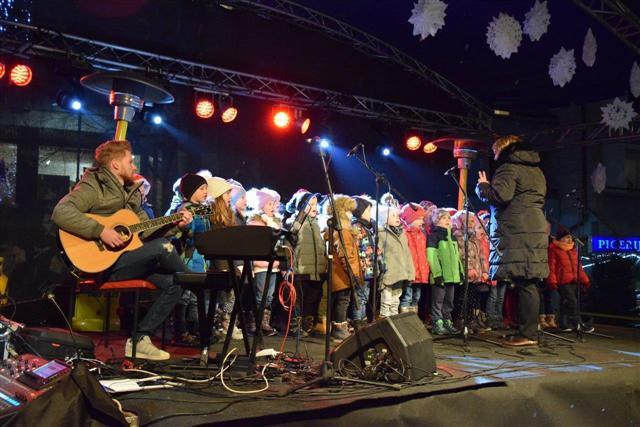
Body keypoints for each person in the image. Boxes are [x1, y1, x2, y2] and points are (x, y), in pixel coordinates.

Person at [52, 139, 192, 360]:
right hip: (100, 266)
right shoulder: (94, 185)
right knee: (165, 251)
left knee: (176, 283)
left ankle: (140, 339)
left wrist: (174, 225)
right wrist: (101, 231)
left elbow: (145, 231)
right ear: (116, 164)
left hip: (128, 261)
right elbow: (61, 212)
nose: (134, 166)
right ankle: (198, 281)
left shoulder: (132, 192)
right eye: (130, 161)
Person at [476, 135, 549, 346]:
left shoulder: (509, 168)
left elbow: (501, 196)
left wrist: (483, 187)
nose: (494, 156)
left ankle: (527, 334)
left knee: (525, 282)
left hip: (518, 229)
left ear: (503, 149)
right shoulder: (536, 170)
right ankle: (524, 330)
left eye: (495, 151)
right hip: (533, 227)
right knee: (526, 280)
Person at [284, 190, 327, 335]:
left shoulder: (318, 224)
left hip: (316, 270)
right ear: (302, 206)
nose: (315, 207)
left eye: (316, 205)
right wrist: (288, 266)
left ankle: (307, 325)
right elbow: (287, 246)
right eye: (310, 204)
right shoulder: (294, 224)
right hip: (300, 270)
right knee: (298, 299)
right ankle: (295, 326)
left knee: (312, 298)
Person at [324, 195, 362, 341]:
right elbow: (345, 255)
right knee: (343, 301)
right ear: (342, 212)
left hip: (339, 273)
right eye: (349, 211)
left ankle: (338, 327)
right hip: (342, 274)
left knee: (341, 300)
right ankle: (339, 329)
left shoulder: (340, 230)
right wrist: (353, 273)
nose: (351, 214)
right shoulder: (343, 231)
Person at [547, 226, 591, 332]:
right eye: (567, 237)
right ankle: (578, 324)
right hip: (562, 281)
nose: (570, 239)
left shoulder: (573, 250)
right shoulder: (553, 249)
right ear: (560, 238)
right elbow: (551, 266)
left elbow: (578, 267)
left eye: (570, 237)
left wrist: (585, 280)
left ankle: (564, 324)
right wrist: (552, 281)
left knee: (565, 302)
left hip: (573, 281)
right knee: (572, 302)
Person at [427, 209, 462, 335]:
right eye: (444, 218)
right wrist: (437, 274)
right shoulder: (434, 236)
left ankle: (447, 321)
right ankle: (437, 323)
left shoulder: (452, 237)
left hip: (452, 276)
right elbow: (431, 256)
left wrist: (460, 271)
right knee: (438, 301)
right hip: (440, 276)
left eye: (449, 218)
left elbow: (457, 257)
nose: (448, 220)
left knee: (449, 301)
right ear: (436, 220)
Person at [377, 204, 415, 318]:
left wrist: (410, 272)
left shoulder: (402, 234)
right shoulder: (381, 234)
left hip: (400, 272)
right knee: (386, 300)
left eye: (397, 216)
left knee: (395, 300)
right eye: (393, 216)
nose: (397, 218)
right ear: (385, 218)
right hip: (388, 273)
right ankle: (385, 320)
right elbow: (378, 254)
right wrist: (381, 269)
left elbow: (407, 254)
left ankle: (394, 320)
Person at [351, 195, 382, 326]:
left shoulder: (370, 227)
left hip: (371, 268)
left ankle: (364, 319)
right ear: (360, 212)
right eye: (368, 210)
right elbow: (355, 248)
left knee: (366, 296)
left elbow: (373, 245)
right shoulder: (357, 227)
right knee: (360, 297)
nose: (370, 213)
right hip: (362, 269)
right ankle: (358, 320)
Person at [399, 203, 428, 314]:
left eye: (423, 219)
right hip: (410, 272)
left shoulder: (422, 235)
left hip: (420, 272)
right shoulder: (405, 234)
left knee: (417, 297)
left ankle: (413, 318)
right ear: (410, 218)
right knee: (407, 296)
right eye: (419, 219)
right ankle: (405, 317)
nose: (422, 221)